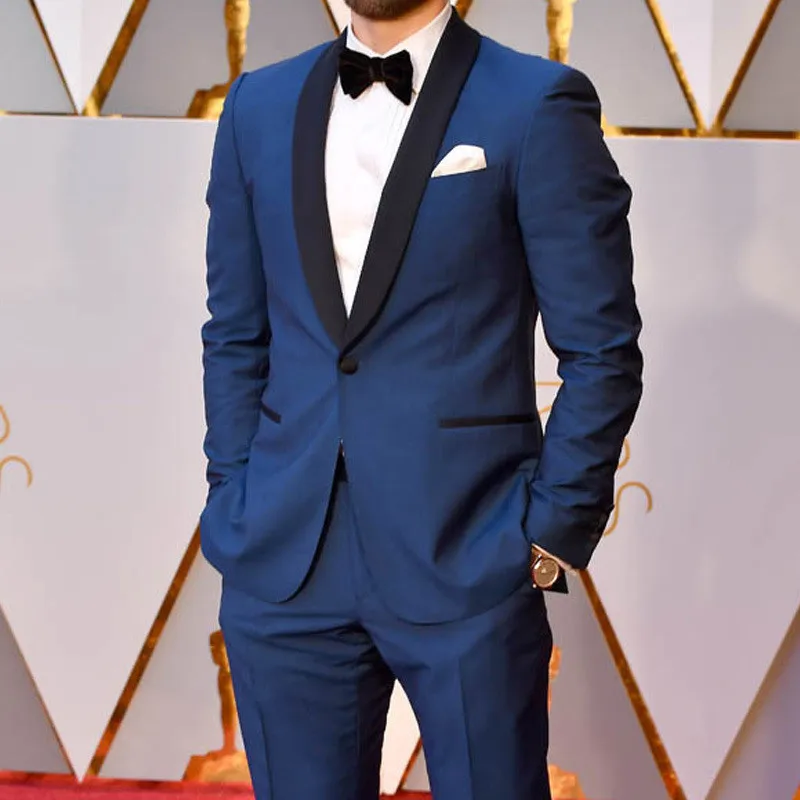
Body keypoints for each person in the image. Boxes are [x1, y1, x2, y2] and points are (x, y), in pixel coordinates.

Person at [199, 0, 643, 798]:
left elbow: (601, 348)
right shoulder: (255, 107)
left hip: (469, 551)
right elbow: (235, 331)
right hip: (284, 559)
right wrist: (234, 489)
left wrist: (551, 532)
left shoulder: (536, 103)